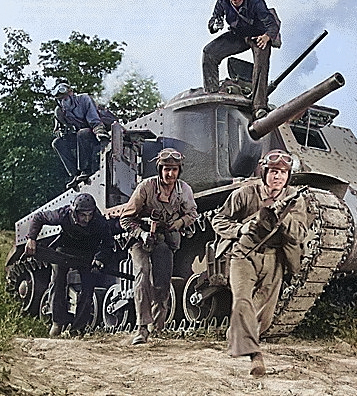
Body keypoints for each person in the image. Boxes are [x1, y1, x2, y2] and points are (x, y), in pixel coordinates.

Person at [210, 149, 308, 377]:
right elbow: (218, 219)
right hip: (244, 254)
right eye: (274, 172)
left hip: (274, 257)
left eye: (283, 173)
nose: (278, 177)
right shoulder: (245, 194)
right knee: (243, 300)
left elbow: (300, 232)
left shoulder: (295, 198)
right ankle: (256, 356)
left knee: (265, 314)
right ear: (264, 173)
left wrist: (283, 217)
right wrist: (239, 229)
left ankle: (239, 336)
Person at [119, 148, 198, 345]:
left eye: (174, 169)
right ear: (159, 169)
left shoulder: (184, 190)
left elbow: (192, 213)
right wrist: (142, 233)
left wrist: (179, 223)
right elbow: (126, 218)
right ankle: (142, 328)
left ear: (179, 170)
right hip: (141, 238)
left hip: (164, 238)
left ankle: (158, 326)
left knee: (162, 282)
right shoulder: (146, 187)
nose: (170, 174)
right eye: (166, 169)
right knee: (142, 275)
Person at [25, 193, 115, 337]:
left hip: (87, 255)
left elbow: (108, 245)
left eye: (89, 214)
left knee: (89, 287)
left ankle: (78, 328)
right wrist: (31, 238)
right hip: (64, 251)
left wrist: (99, 259)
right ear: (74, 212)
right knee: (57, 281)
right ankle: (57, 323)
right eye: (82, 215)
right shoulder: (63, 214)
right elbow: (39, 217)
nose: (86, 219)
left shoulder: (100, 222)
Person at [202, 0, 280, 120]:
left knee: (261, 60)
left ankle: (259, 106)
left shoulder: (255, 0)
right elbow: (213, 21)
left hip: (258, 35)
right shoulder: (222, 2)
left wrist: (267, 37)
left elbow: (272, 24)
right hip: (238, 35)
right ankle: (212, 94)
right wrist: (215, 25)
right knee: (209, 52)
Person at [51, 82, 111, 189]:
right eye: (59, 100)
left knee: (82, 133)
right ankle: (74, 174)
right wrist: (62, 132)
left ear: (71, 94)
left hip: (94, 132)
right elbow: (57, 129)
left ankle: (85, 170)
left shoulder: (84, 99)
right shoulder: (59, 111)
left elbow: (94, 120)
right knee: (57, 143)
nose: (63, 102)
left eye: (65, 99)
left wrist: (100, 132)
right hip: (79, 138)